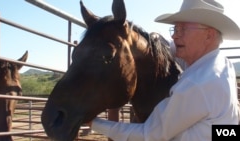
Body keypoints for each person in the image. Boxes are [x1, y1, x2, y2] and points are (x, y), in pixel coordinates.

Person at [88, 0, 240, 140]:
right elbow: (169, 48)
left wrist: (94, 123)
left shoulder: (197, 84)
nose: (175, 35)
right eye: (175, 28)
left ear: (209, 35)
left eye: (183, 29)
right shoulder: (221, 64)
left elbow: (149, 135)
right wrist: (156, 39)